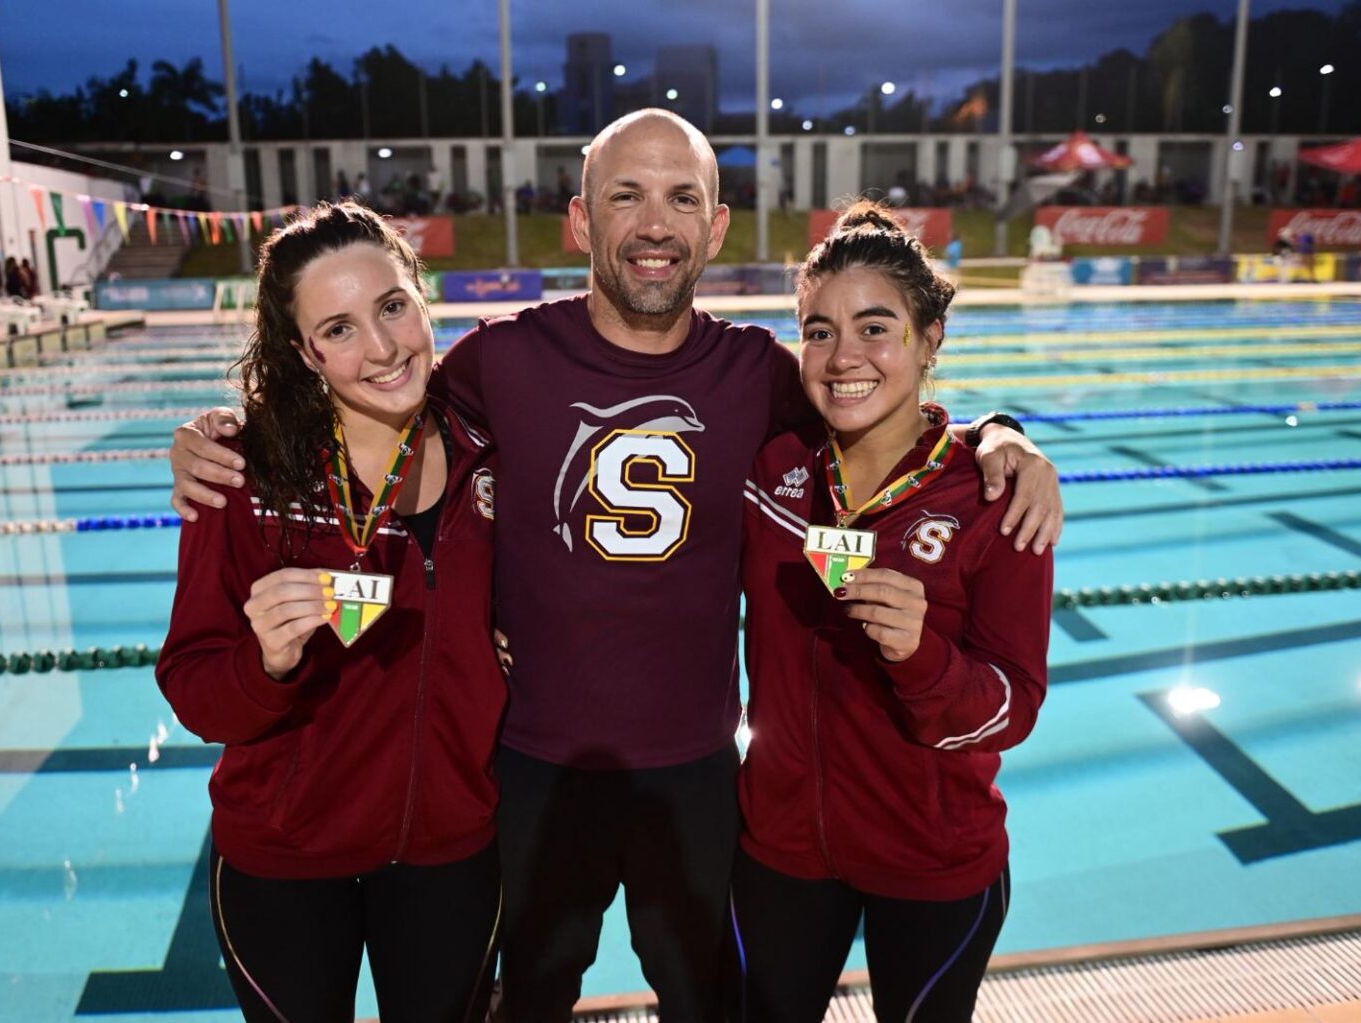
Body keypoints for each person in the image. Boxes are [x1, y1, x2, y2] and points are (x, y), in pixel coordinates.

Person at [168, 110, 1063, 1023]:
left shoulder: (760, 373)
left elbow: (876, 387)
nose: (652, 224)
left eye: (681, 198)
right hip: (529, 771)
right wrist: (215, 431)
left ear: (714, 226)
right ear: (581, 221)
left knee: (708, 1002)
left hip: (700, 777)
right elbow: (368, 393)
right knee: (524, 1003)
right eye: (624, 196)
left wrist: (1004, 434)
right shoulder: (498, 362)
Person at [156, 201, 504, 1023]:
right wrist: (263, 664)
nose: (383, 349)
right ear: (304, 352)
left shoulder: (497, 450)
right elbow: (193, 684)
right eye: (339, 329)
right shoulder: (242, 474)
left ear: (422, 297)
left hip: (449, 848)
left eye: (391, 307)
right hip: (285, 859)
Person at [735, 202, 1052, 1021]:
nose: (844, 358)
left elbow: (1014, 707)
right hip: (780, 849)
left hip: (933, 859)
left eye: (876, 328)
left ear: (930, 337)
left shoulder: (993, 497)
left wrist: (922, 657)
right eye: (818, 331)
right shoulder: (768, 471)